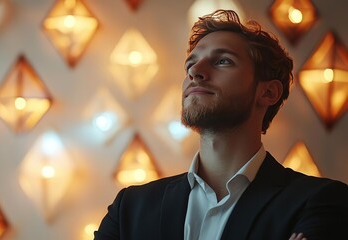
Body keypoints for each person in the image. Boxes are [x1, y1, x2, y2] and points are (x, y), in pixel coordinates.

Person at [94, 9, 348, 240]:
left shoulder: (321, 201)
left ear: (268, 93)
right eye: (190, 65)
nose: (195, 72)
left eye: (223, 61)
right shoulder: (130, 207)